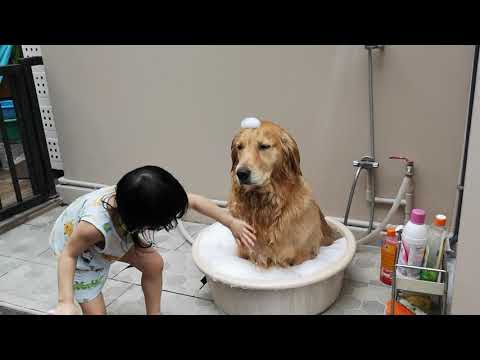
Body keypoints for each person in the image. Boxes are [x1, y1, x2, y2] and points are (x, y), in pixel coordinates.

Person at [49, 165, 256, 315]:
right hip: (84, 256)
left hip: (118, 233)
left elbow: (194, 201)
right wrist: (65, 301)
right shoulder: (92, 228)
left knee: (153, 264)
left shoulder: (143, 195)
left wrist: (230, 221)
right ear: (142, 223)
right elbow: (69, 254)